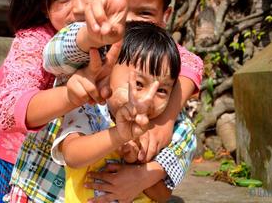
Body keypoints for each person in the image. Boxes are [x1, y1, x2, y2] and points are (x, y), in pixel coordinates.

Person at [9, 0, 203, 202]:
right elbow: (54, 54)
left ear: (165, 16)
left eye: (143, 13)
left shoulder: (175, 110)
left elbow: (189, 62)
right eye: (121, 8)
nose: (127, 20)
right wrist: (91, 36)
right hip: (40, 190)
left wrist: (141, 172)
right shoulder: (92, 63)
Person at [0, 0, 145, 202]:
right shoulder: (35, 41)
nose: (79, 8)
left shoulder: (116, 31)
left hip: (64, 154)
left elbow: (177, 59)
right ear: (44, 7)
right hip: (4, 154)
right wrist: (71, 92)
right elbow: (9, 110)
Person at [52, 21, 182, 202]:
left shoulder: (159, 130)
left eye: (161, 91)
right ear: (108, 72)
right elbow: (72, 156)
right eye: (138, 84)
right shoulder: (91, 110)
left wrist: (137, 164)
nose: (148, 98)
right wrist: (118, 135)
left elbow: (163, 195)